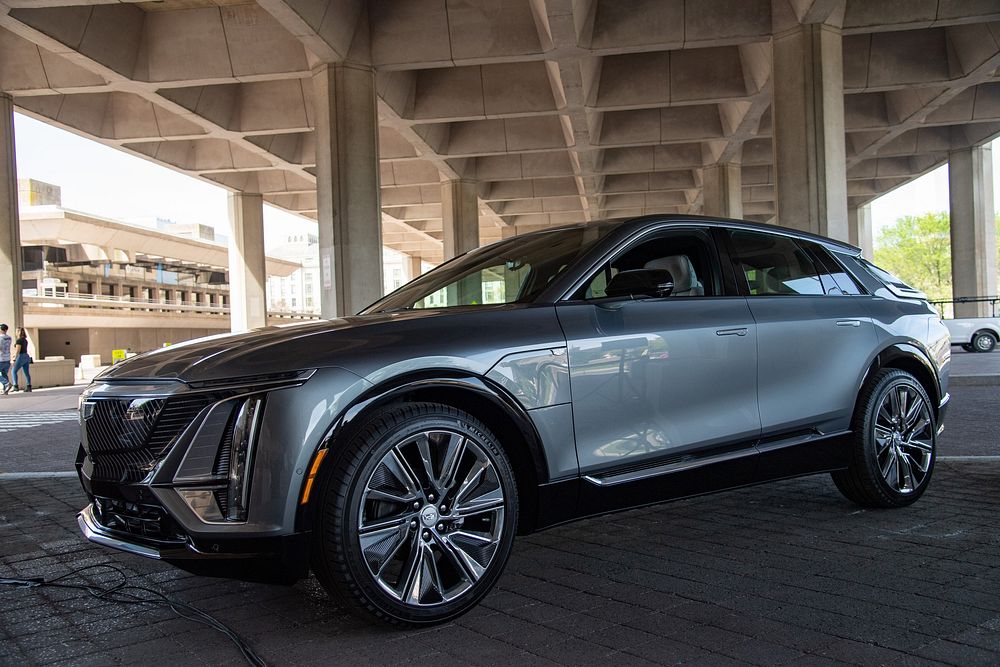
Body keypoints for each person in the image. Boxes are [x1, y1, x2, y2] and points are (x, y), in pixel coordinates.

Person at [11, 327, 31, 393]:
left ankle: (15, 386)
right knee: (26, 373)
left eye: (16, 331)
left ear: (18, 332)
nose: (15, 333)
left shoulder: (19, 340)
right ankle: (29, 386)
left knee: (13, 371)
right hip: (26, 356)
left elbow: (18, 350)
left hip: (21, 356)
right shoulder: (25, 340)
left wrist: (14, 358)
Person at [0, 324, 10, 395]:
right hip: (7, 358)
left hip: (1, 358)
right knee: (4, 374)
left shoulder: (0, 337)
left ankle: (6, 383)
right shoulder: (9, 338)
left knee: (4, 375)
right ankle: (5, 390)